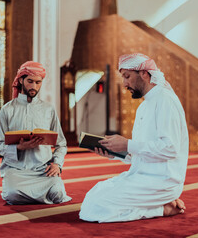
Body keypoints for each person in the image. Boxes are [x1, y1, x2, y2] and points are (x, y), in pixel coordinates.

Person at [79, 53, 189, 222]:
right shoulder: (144, 107)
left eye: (127, 77)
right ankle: (157, 204)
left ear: (144, 73)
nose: (124, 84)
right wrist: (117, 153)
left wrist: (128, 144)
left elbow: (170, 148)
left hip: (162, 181)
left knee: (94, 207)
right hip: (141, 176)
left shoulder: (165, 100)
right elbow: (143, 152)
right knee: (95, 194)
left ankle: (162, 208)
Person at [0, 61, 71, 205]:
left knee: (58, 194)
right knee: (12, 195)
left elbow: (61, 144)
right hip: (16, 170)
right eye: (30, 81)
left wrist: (57, 164)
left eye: (38, 82)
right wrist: (19, 148)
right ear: (20, 80)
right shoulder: (7, 110)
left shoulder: (48, 109)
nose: (34, 86)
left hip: (43, 169)